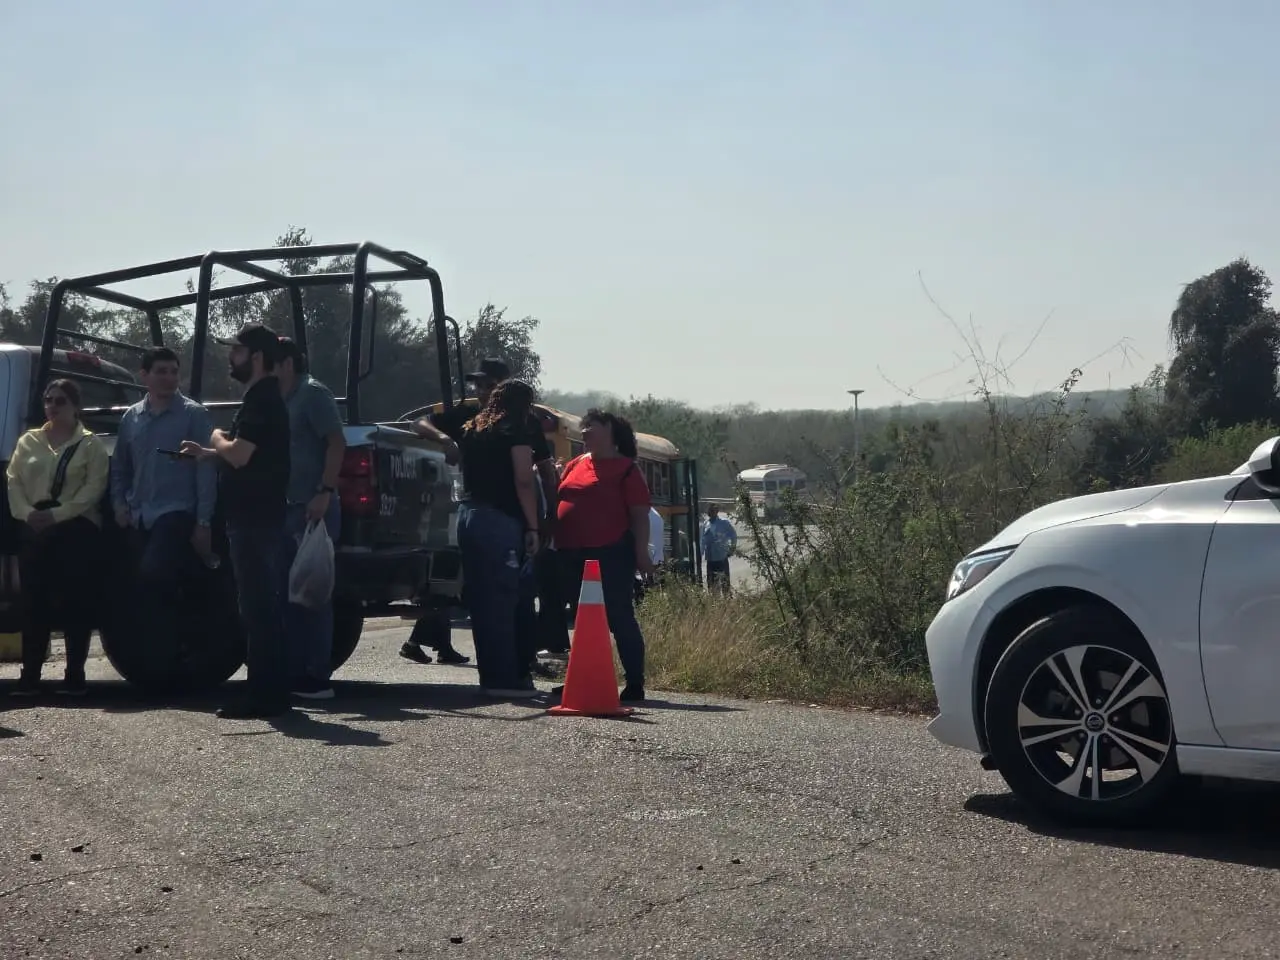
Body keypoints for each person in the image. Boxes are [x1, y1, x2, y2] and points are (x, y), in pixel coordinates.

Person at [408, 357, 557, 665]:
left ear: (502, 387)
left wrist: (549, 514)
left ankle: (510, 663)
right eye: (477, 384)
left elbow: (543, 470)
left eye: (488, 384)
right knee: (497, 593)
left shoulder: (521, 421)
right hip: (491, 514)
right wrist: (445, 439)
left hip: (496, 516)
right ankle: (507, 667)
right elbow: (419, 423)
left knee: (501, 594)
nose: (481, 390)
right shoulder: (471, 418)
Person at [182, 322, 292, 719]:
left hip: (255, 519)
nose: (231, 357)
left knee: (258, 608)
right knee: (261, 606)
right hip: (257, 516)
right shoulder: (263, 397)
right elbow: (251, 456)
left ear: (256, 357)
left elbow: (241, 455)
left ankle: (265, 696)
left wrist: (215, 437)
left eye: (237, 350)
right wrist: (208, 455)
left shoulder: (262, 399)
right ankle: (271, 692)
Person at [110, 346, 217, 665]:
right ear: (144, 375)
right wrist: (119, 504)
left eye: (173, 371)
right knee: (141, 584)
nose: (169, 378)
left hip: (176, 512)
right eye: (161, 371)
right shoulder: (132, 417)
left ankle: (174, 649)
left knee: (153, 574)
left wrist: (204, 522)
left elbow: (205, 469)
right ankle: (157, 655)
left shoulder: (193, 415)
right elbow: (120, 467)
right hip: (138, 515)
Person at [7, 379, 110, 695]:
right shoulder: (28, 441)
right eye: (48, 400)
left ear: (76, 406)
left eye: (60, 400)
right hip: (34, 527)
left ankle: (75, 674)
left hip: (75, 527)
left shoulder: (90, 444)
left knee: (75, 600)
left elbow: (94, 488)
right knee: (32, 602)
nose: (52, 406)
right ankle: (30, 676)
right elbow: (14, 481)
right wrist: (27, 514)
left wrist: (58, 515)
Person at [552, 409, 656, 703]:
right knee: (582, 620)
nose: (585, 432)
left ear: (610, 430)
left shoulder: (626, 469)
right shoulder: (576, 464)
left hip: (610, 553)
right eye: (584, 427)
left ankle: (634, 682)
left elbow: (640, 516)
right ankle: (582, 678)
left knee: (619, 615)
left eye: (592, 426)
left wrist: (641, 554)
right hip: (571, 553)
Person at [453, 378, 542, 697]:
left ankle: (490, 675)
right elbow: (523, 480)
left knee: (482, 602)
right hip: (499, 520)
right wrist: (533, 526)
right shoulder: (514, 429)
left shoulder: (473, 427)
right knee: (503, 601)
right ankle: (505, 679)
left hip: (469, 516)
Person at [275, 337, 345, 700]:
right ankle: (293, 672)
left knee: (313, 593)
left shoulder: (313, 393)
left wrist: (324, 491)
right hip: (285, 508)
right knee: (288, 595)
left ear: (287, 363)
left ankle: (317, 678)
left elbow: (336, 442)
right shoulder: (278, 399)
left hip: (313, 507)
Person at [702, 504, 738, 595]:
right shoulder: (706, 524)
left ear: (717, 511)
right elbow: (702, 540)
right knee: (712, 584)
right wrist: (700, 553)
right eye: (709, 510)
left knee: (724, 583)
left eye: (713, 510)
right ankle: (715, 601)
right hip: (710, 558)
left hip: (721, 557)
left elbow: (733, 535)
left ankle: (727, 599)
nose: (710, 512)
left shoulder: (724, 523)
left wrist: (732, 548)